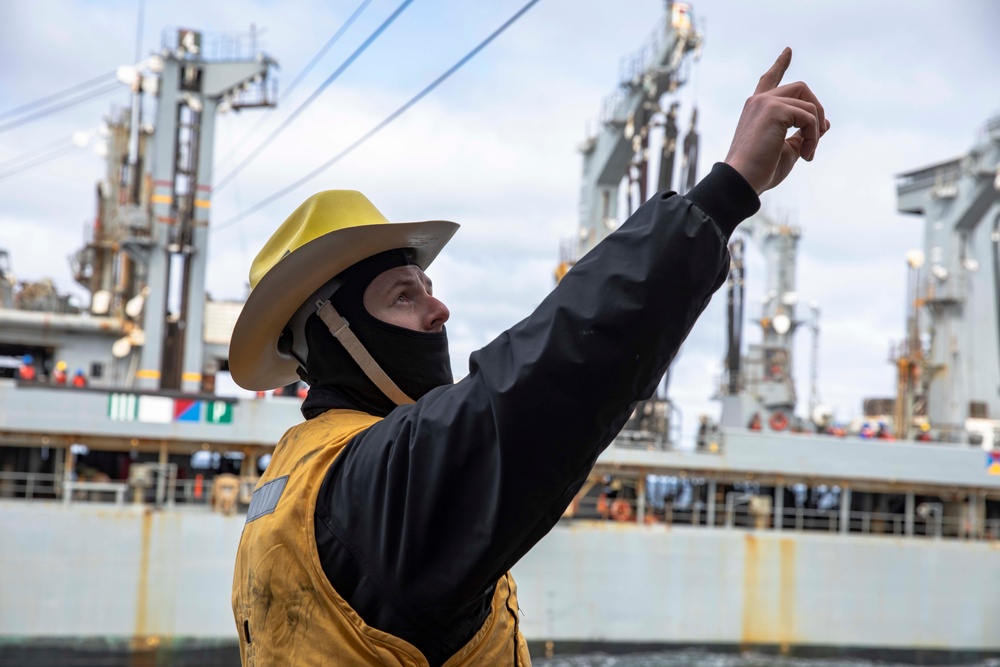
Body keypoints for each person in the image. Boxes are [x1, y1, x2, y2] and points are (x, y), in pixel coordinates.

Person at [229, 48, 828, 666]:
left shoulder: (293, 481)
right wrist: (728, 191)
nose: (439, 314)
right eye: (402, 297)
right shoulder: (378, 487)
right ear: (336, 335)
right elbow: (553, 372)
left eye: (429, 290)